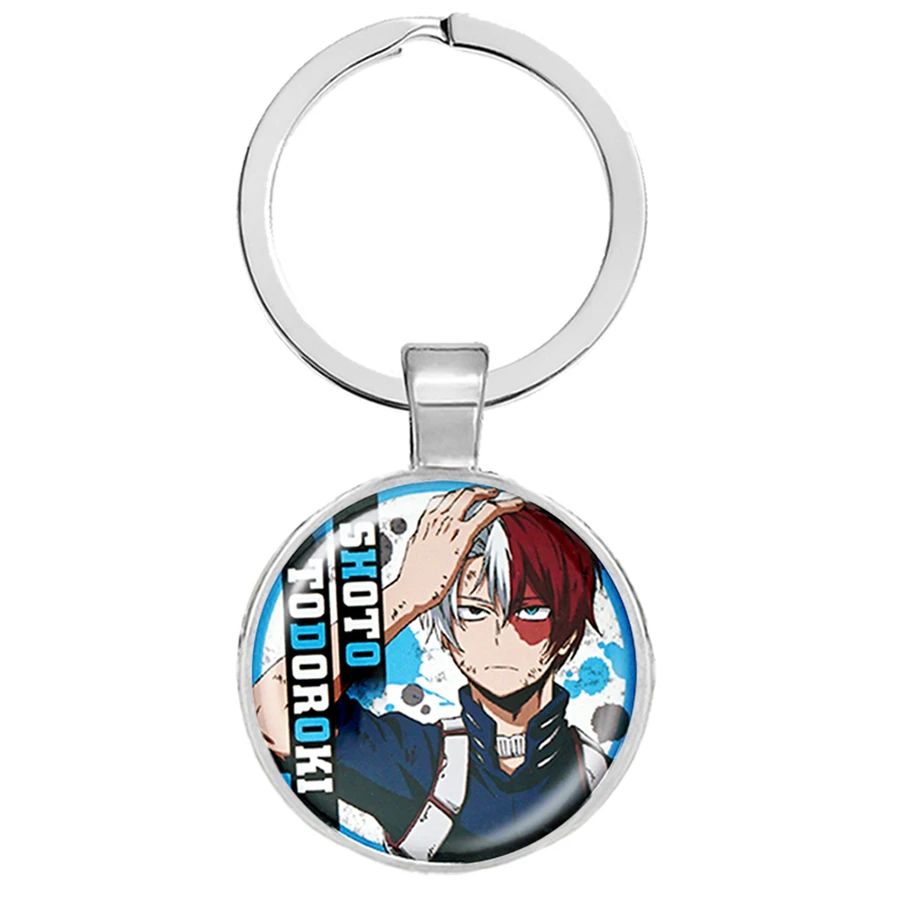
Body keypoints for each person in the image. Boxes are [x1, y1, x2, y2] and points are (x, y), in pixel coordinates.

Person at [254, 487, 609, 862]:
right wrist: (408, 594)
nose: (498, 637)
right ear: (446, 634)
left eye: (529, 611)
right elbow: (273, 712)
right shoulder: (413, 757)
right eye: (473, 611)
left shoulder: (594, 767)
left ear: (567, 631)